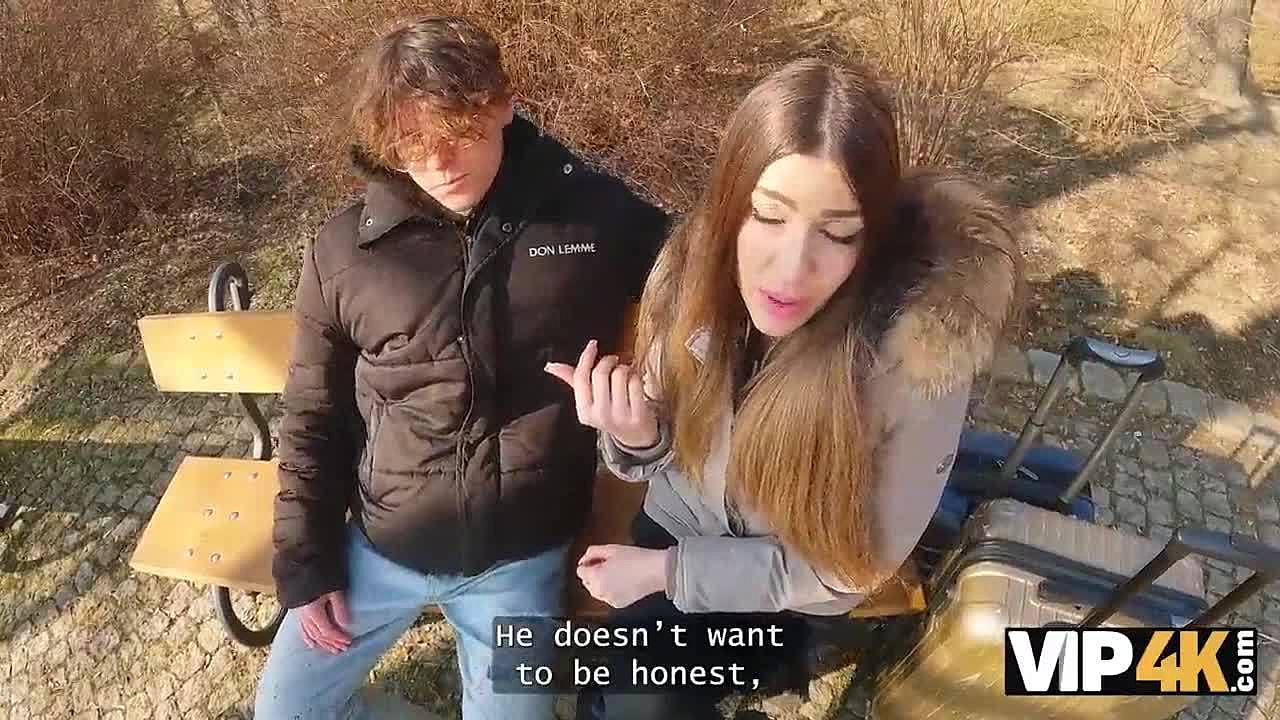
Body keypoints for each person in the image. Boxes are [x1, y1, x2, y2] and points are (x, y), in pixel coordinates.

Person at [545, 58, 1022, 719]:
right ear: (729, 205)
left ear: (874, 237)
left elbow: (855, 566)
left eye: (837, 233)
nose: (791, 270)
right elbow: (664, 441)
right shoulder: (689, 276)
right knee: (616, 683)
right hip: (679, 533)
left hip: (797, 591)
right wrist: (637, 434)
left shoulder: (914, 359)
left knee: (643, 701)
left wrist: (665, 575)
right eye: (769, 217)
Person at [253, 15, 668, 720]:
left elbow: (707, 280)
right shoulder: (345, 251)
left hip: (518, 561)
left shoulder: (592, 216)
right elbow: (313, 415)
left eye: (458, 132)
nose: (440, 163)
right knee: (284, 714)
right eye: (413, 145)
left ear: (503, 103)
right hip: (380, 547)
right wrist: (305, 560)